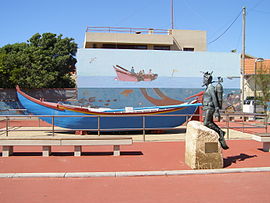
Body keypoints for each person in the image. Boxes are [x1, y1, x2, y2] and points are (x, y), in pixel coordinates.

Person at [202, 72, 229, 150]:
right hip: (207, 107)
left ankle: (220, 132)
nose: (203, 81)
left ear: (208, 80)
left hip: (210, 107)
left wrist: (217, 109)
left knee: (206, 123)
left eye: (204, 79)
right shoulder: (207, 87)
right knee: (210, 122)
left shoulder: (210, 88)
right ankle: (220, 132)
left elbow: (214, 98)